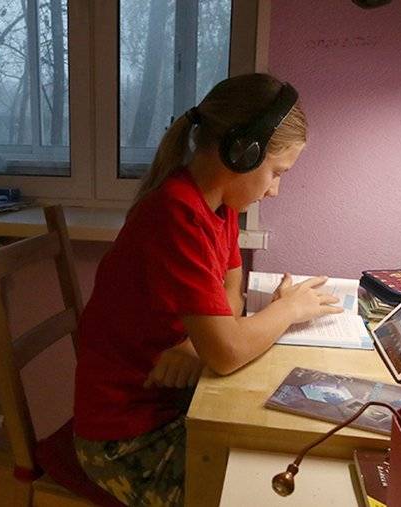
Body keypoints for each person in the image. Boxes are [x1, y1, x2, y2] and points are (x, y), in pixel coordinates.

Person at [73, 73, 342, 507]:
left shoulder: (221, 207)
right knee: (261, 493)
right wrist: (288, 310)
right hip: (123, 439)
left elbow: (232, 289)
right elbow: (228, 350)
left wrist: (197, 346)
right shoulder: (176, 214)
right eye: (276, 173)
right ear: (243, 152)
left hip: (169, 404)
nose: (275, 190)